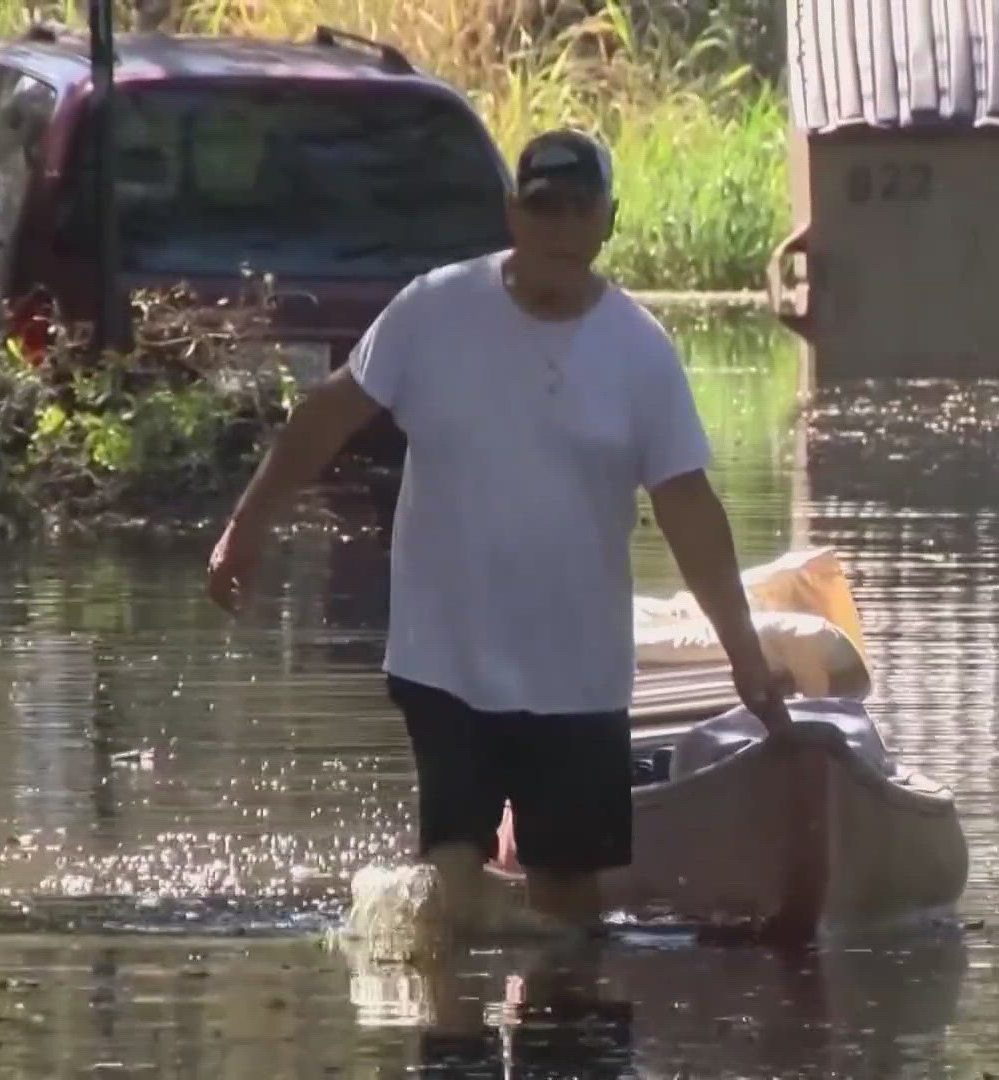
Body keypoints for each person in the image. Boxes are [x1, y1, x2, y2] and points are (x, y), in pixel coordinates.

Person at [205, 128, 792, 933]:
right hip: (444, 654)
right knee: (451, 877)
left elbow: (689, 509)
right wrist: (245, 527)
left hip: (579, 671)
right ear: (512, 212)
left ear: (607, 221)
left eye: (576, 209)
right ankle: (441, 1022)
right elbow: (326, 414)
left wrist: (745, 657)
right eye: (541, 207)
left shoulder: (639, 352)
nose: (557, 227)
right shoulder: (434, 310)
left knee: (570, 910)